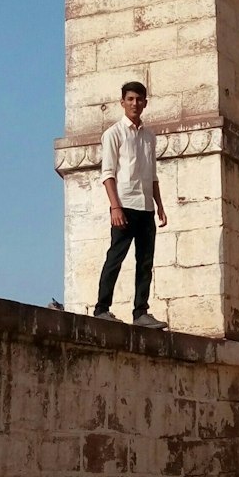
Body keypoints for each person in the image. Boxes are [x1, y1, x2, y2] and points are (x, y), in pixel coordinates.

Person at [94, 81, 168, 329]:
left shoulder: (149, 136)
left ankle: (141, 312)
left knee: (145, 261)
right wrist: (115, 207)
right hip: (124, 205)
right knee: (115, 257)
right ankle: (102, 309)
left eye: (139, 99)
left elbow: (153, 175)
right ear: (122, 102)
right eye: (130, 99)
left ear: (145, 103)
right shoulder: (114, 134)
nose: (135, 103)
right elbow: (108, 174)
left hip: (145, 206)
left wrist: (159, 206)